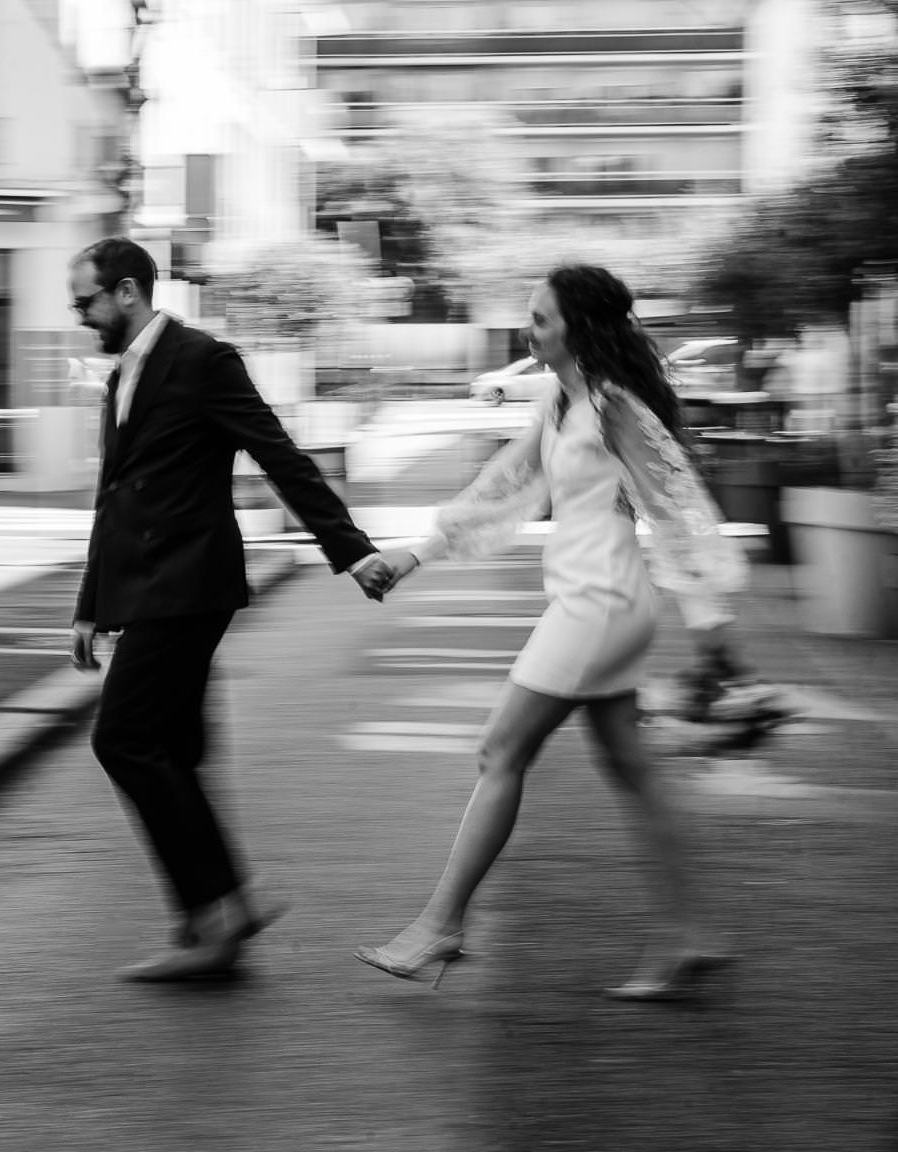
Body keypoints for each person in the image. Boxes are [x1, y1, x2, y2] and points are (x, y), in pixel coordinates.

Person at [355, 264, 748, 1001]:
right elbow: (504, 485)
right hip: (587, 598)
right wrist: (416, 553)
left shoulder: (614, 405)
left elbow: (676, 505)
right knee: (633, 770)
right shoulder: (560, 401)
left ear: (579, 327)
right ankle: (690, 932)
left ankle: (440, 924)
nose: (529, 330)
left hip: (599, 604)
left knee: (500, 749)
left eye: (541, 318)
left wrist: (712, 624)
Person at [67, 237, 396, 983]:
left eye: (84, 301)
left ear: (125, 292)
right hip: (149, 586)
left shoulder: (202, 360)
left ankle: (223, 904)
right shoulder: (122, 374)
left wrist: (352, 552)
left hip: (187, 586)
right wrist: (90, 607)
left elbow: (281, 456)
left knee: (122, 740)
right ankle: (207, 917)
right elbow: (112, 499)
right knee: (174, 748)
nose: (79, 316)